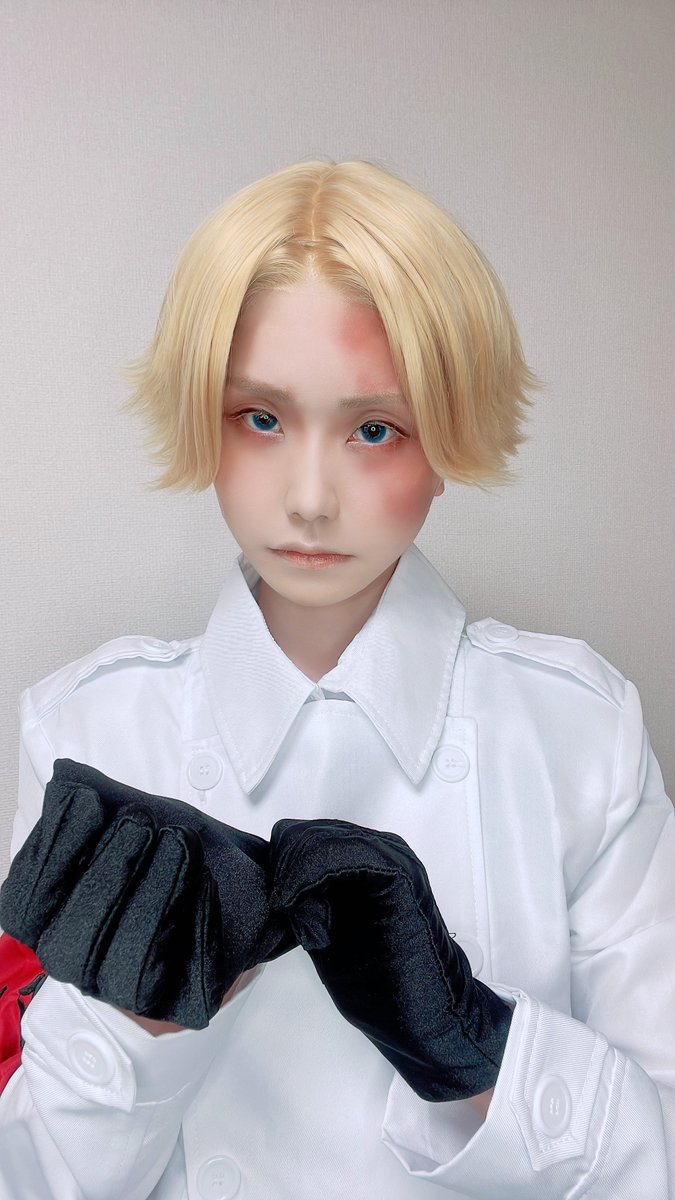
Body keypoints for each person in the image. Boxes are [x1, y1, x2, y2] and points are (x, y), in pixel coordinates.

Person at [0, 159, 672, 1200]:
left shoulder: (575, 732)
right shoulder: (90, 732)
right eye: (261, 418)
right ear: (204, 415)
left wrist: (477, 1046)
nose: (310, 498)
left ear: (446, 438)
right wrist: (128, 1025)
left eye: (373, 430)